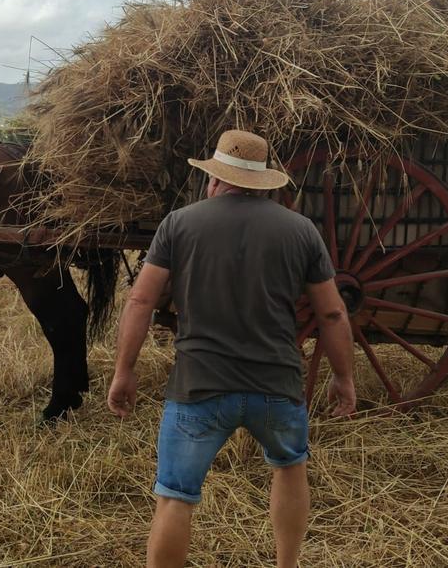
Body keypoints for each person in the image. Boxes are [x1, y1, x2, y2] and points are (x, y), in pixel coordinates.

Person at [107, 129, 357, 568]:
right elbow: (333, 314)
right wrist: (344, 376)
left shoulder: (179, 224)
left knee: (175, 497)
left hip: (198, 388)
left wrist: (123, 371)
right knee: (289, 466)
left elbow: (140, 300)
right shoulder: (300, 230)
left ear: (214, 179)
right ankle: (287, 565)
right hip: (276, 385)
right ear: (262, 181)